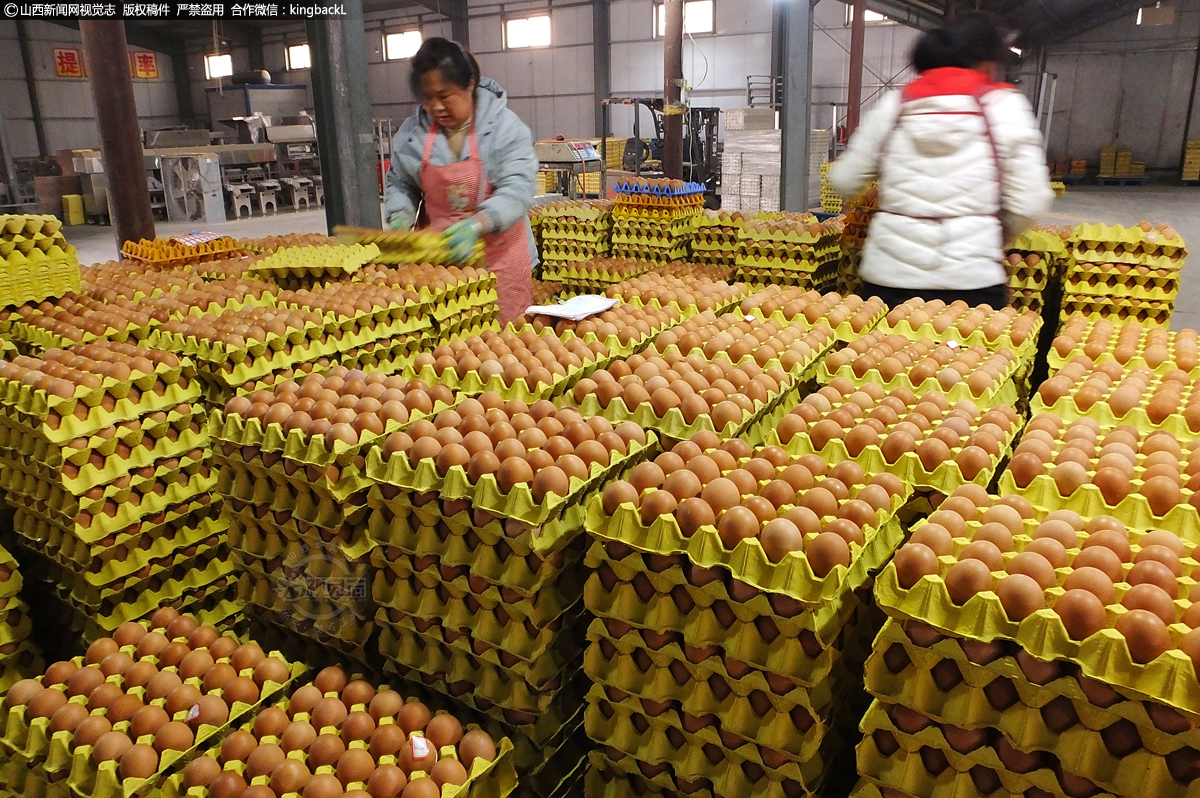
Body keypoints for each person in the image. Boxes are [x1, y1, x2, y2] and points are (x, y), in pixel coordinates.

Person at [829, 12, 1052, 310]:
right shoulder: (1005, 107)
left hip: (891, 281)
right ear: (987, 63)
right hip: (971, 285)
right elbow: (1031, 201)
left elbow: (843, 180)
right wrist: (990, 234)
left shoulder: (894, 107)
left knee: (887, 355)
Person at [384, 37, 538, 323]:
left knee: (507, 348)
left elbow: (518, 189)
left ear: (470, 84)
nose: (436, 106)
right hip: (442, 262)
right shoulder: (412, 135)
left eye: (444, 96)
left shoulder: (504, 128)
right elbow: (401, 183)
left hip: (499, 258)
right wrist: (399, 218)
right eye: (427, 98)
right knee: (449, 346)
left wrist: (476, 225)